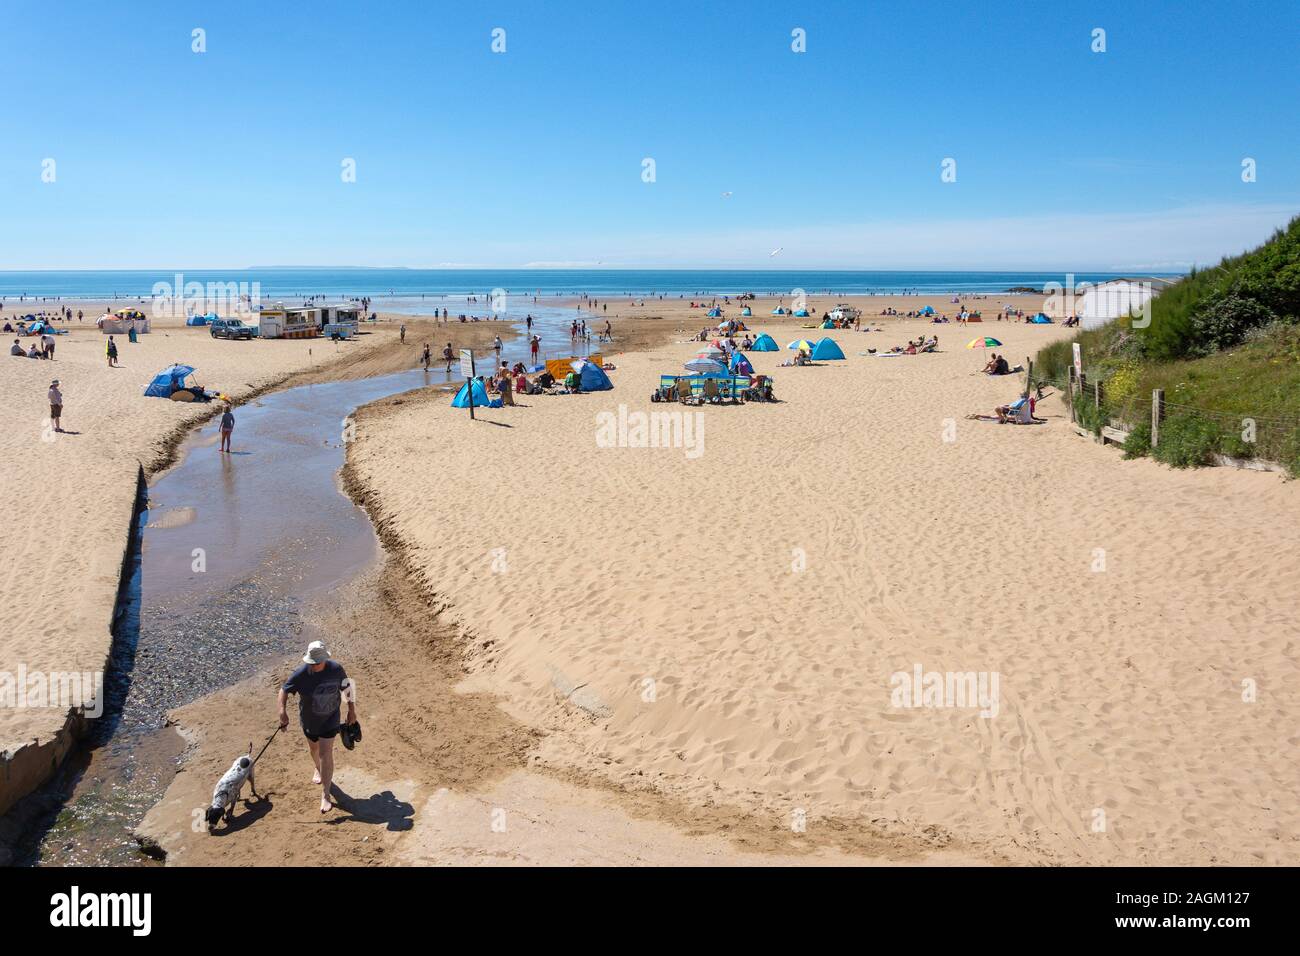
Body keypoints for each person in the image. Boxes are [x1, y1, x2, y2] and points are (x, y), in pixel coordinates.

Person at [278, 641, 356, 815]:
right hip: (309, 721)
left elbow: (347, 688)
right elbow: (283, 690)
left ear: (325, 659)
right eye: (311, 662)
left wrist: (352, 711)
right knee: (314, 749)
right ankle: (317, 767)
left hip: (330, 719)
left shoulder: (336, 669)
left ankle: (326, 794)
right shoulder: (300, 674)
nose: (314, 666)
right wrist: (282, 712)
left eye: (317, 663)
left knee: (325, 753)